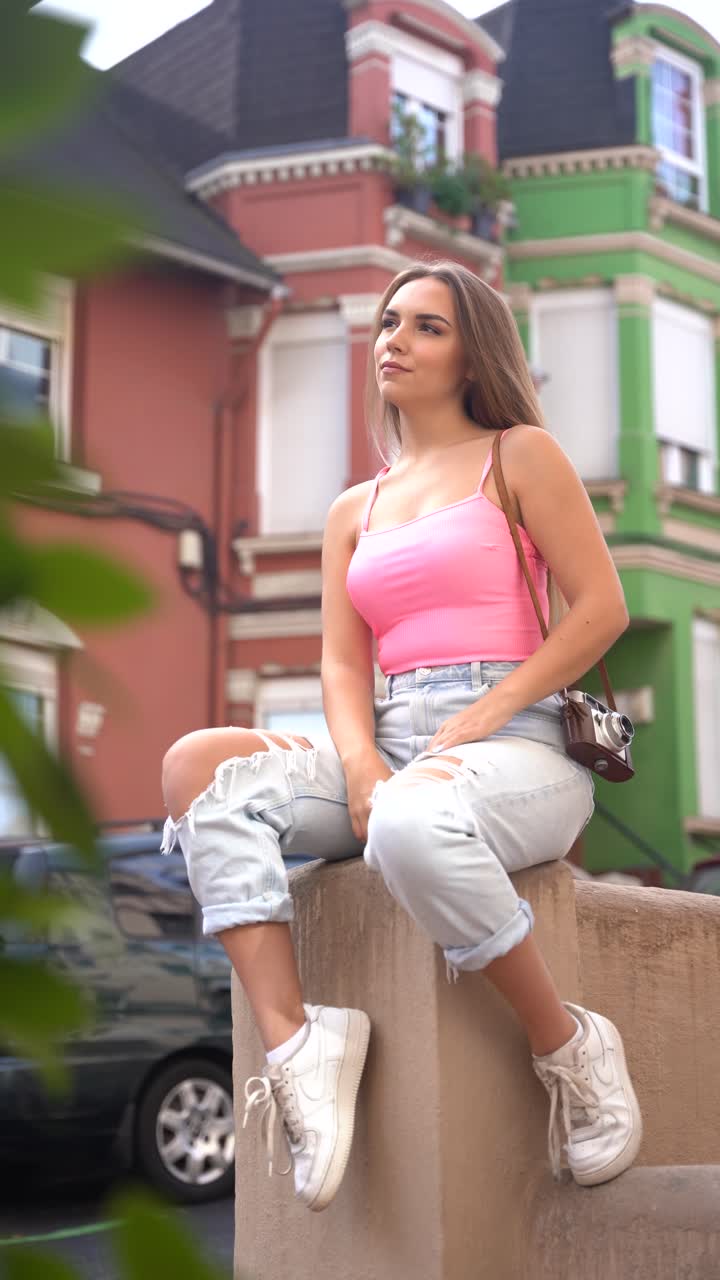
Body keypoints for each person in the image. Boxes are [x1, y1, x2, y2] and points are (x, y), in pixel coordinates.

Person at [160, 260, 642, 1213]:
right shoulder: (356, 509)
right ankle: (301, 1050)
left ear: (472, 355)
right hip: (385, 741)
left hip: (523, 744)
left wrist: (487, 711)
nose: (395, 340)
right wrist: (361, 762)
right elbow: (342, 665)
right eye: (389, 323)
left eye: (426, 326)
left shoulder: (520, 456)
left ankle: (570, 1049)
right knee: (197, 770)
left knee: (412, 825)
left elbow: (602, 611)